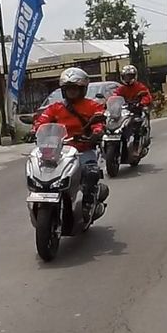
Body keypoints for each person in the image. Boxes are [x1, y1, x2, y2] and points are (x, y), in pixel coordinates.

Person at [33, 67, 109, 220]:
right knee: (39, 172)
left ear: (83, 89)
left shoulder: (92, 106)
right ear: (63, 90)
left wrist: (96, 132)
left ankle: (88, 203)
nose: (72, 92)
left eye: (75, 89)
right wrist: (34, 130)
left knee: (91, 173)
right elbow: (42, 121)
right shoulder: (55, 107)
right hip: (57, 152)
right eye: (68, 89)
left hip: (82, 149)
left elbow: (99, 121)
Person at [114, 64, 152, 148]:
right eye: (126, 76)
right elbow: (114, 96)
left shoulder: (139, 86)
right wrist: (109, 103)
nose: (127, 78)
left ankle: (136, 143)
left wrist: (141, 103)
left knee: (137, 124)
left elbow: (147, 96)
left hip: (136, 109)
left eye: (130, 76)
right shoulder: (121, 88)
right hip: (124, 110)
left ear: (134, 76)